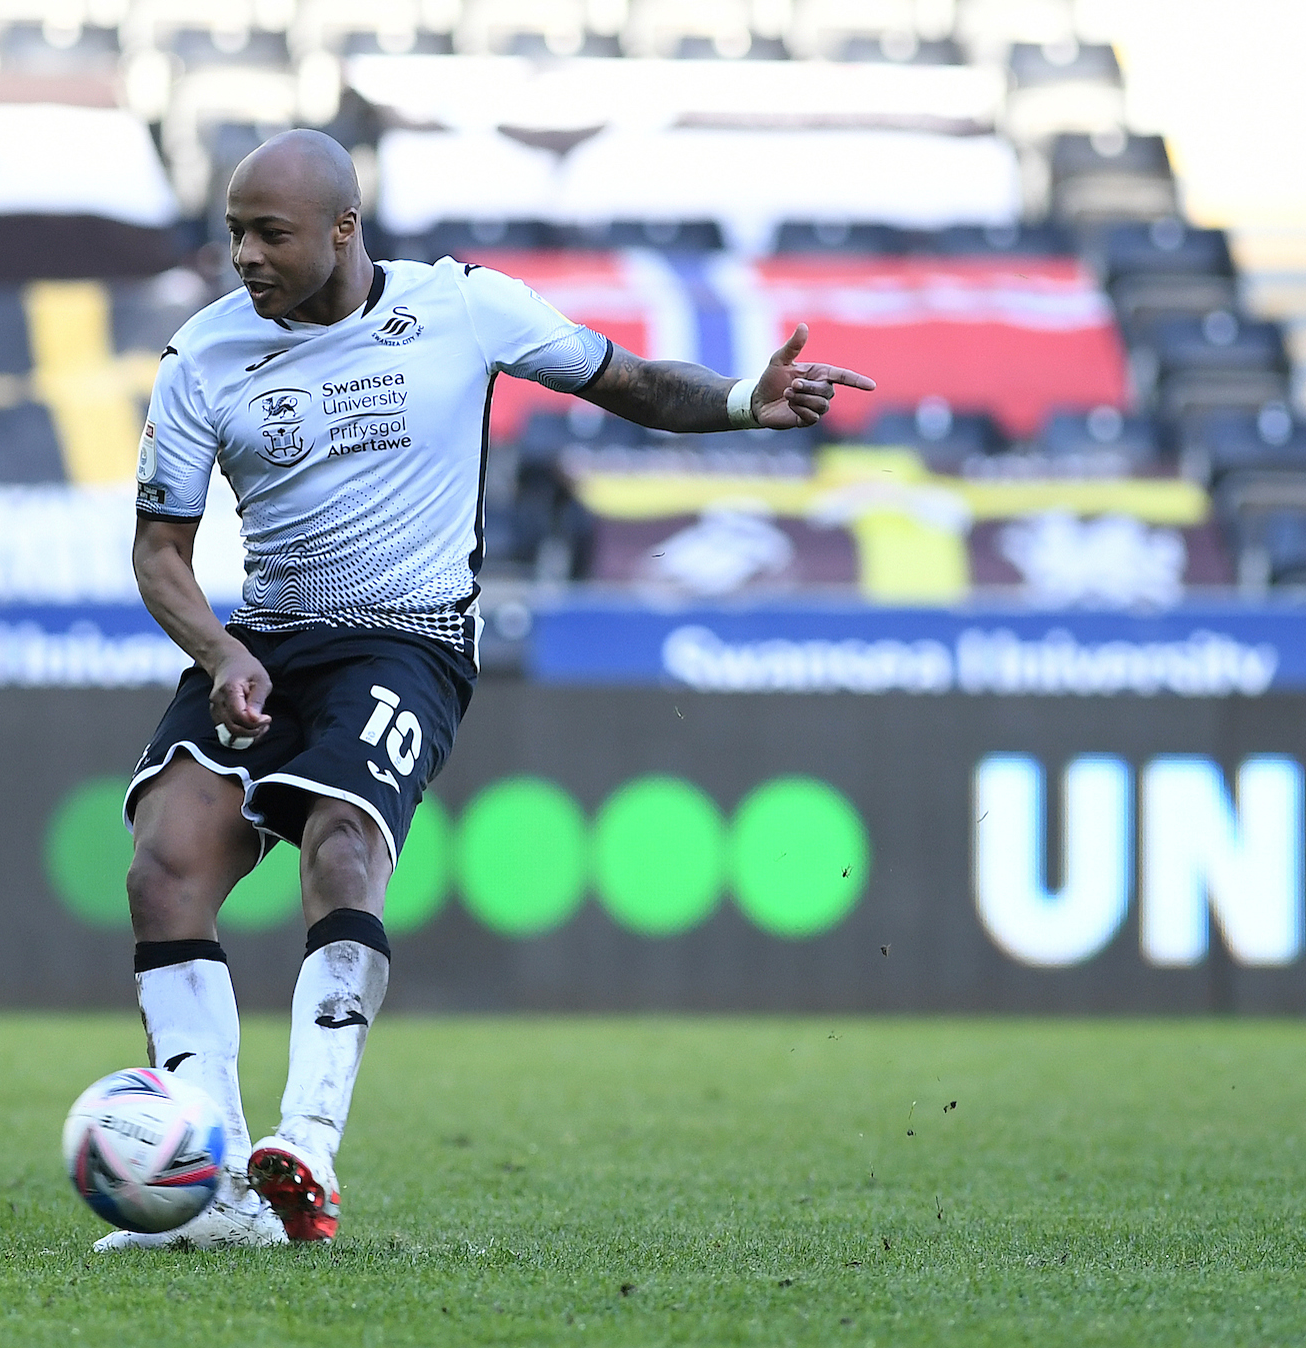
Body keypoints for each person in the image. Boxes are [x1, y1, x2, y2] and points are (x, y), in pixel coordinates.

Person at [100, 129, 876, 1250]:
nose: (245, 256)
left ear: (342, 230)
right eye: (232, 232)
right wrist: (221, 653)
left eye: (269, 233)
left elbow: (628, 379)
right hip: (265, 637)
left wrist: (746, 402)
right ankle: (210, 1186)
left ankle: (304, 1140)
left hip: (404, 639)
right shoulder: (200, 358)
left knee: (341, 847)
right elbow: (158, 554)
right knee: (162, 865)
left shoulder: (462, 306)